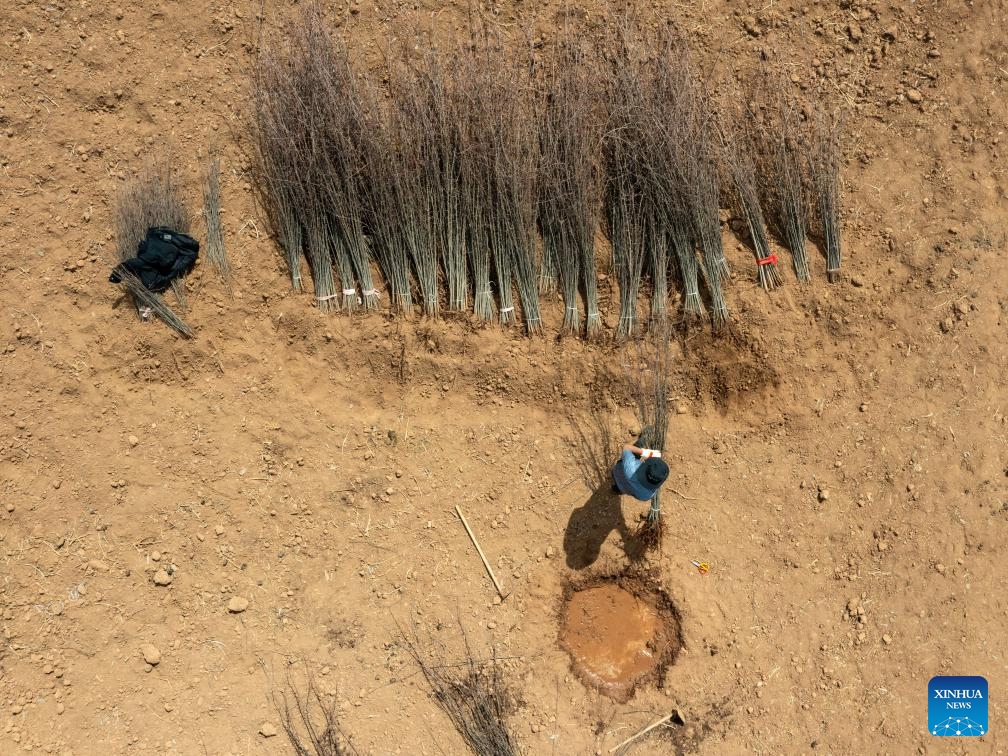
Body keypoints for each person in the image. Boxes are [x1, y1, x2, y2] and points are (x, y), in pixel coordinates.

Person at [611, 430, 669, 501]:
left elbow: (627, 448)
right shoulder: (648, 495)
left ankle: (648, 434)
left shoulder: (632, 469)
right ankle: (617, 489)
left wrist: (645, 452)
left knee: (641, 443)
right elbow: (637, 496)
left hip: (617, 473)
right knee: (622, 487)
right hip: (625, 489)